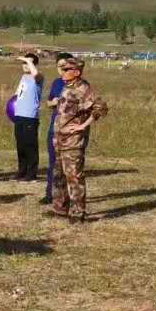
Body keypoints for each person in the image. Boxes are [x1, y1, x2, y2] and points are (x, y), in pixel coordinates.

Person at [49, 56, 109, 223]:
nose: (62, 72)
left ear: (76, 72)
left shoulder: (85, 89)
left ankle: (77, 213)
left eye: (66, 69)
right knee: (59, 175)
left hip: (73, 141)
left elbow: (101, 108)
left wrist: (83, 126)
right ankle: (60, 208)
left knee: (74, 177)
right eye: (62, 69)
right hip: (59, 139)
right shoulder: (66, 87)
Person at [41, 52, 73, 205]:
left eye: (64, 66)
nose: (61, 69)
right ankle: (50, 193)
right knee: (53, 162)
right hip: (55, 129)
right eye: (59, 66)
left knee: (70, 166)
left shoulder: (80, 84)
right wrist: (53, 102)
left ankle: (69, 197)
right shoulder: (56, 83)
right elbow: (48, 103)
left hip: (71, 131)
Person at [12, 53, 43, 180]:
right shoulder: (23, 77)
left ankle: (31, 173)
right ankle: (22, 170)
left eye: (29, 63)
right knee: (21, 145)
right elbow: (18, 94)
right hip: (19, 114)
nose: (25, 65)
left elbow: (35, 74)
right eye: (24, 63)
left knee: (30, 145)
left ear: (34, 65)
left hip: (30, 116)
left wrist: (28, 60)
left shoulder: (39, 77)